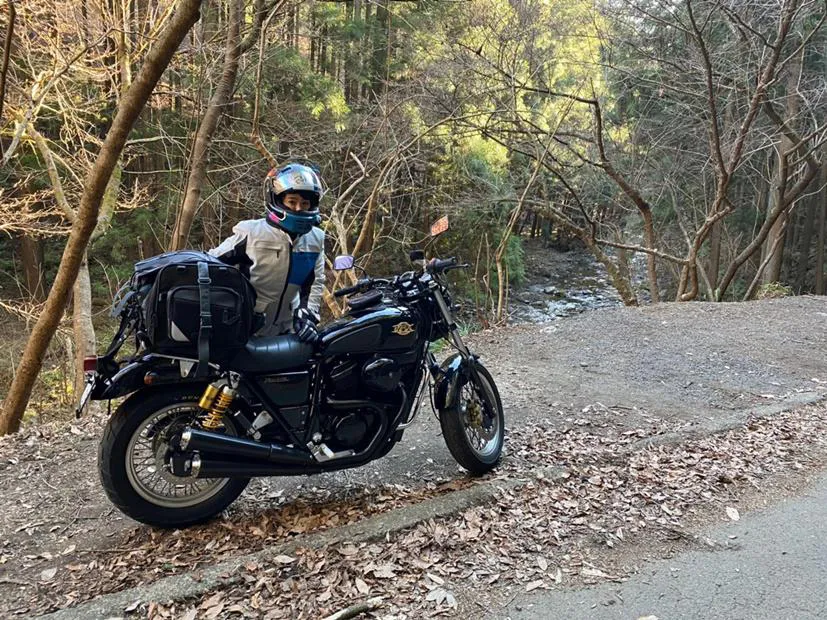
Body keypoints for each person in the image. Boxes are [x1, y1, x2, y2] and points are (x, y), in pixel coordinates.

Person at [209, 163, 326, 342]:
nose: (298, 208)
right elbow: (210, 262)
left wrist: (308, 315)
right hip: (246, 329)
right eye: (292, 201)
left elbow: (314, 283)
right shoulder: (251, 233)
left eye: (305, 203)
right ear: (278, 200)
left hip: (289, 330)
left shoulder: (316, 238)